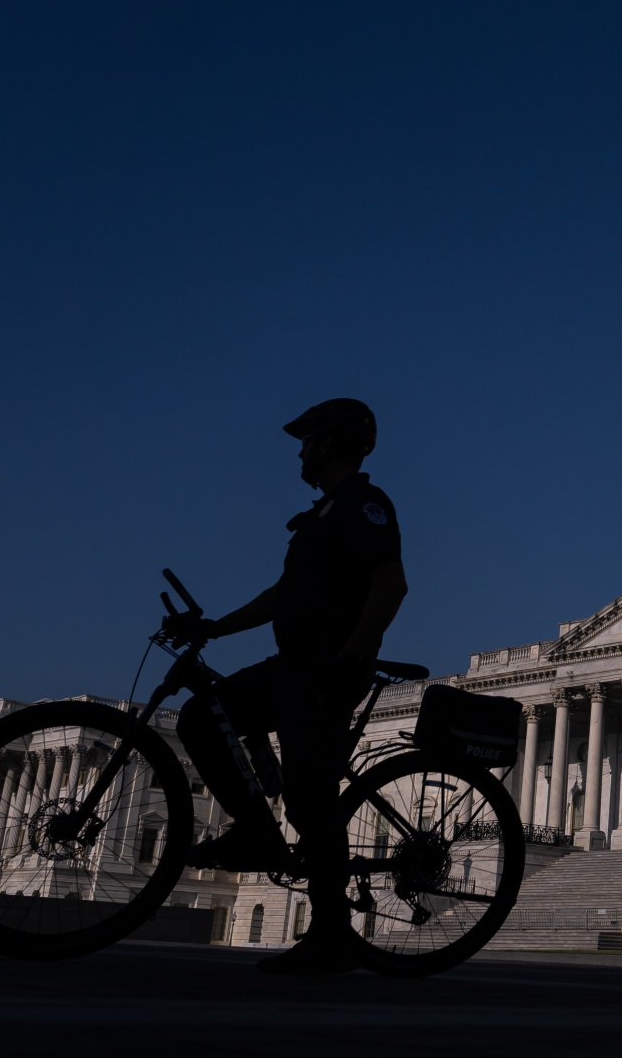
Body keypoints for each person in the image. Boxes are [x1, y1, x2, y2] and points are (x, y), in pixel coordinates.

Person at [170, 398, 408, 974]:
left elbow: (391, 584)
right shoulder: (320, 516)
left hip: (327, 670)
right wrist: (216, 627)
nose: (301, 451)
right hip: (292, 665)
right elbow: (282, 595)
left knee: (309, 797)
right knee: (201, 717)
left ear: (329, 443)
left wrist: (352, 657)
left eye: (308, 441)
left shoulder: (363, 504)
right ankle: (253, 831)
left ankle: (331, 935)